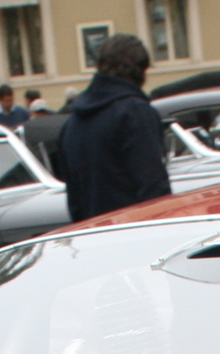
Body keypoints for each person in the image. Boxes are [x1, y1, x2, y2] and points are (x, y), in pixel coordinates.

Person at [59, 32, 169, 222]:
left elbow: (75, 200)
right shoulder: (135, 113)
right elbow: (154, 190)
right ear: (141, 71)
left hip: (91, 238)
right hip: (135, 236)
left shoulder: (72, 124)